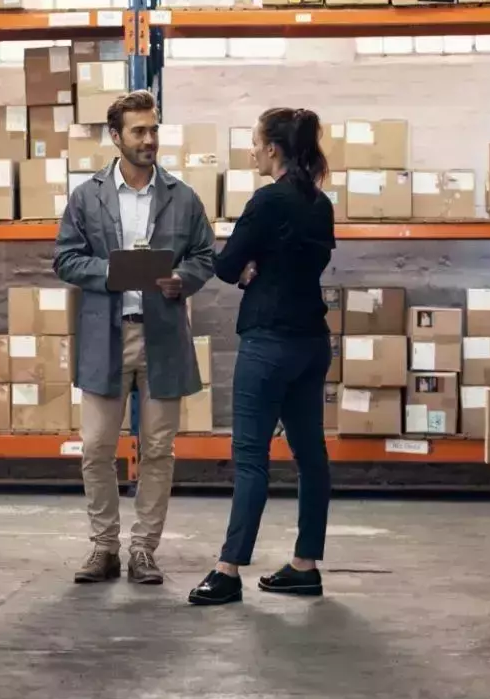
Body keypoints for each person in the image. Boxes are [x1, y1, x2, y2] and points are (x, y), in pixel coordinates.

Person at [53, 90, 216, 586]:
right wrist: (112, 272)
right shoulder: (87, 196)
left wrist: (182, 280)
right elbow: (65, 258)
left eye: (154, 130)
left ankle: (144, 549)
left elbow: (205, 255)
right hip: (107, 336)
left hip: (161, 336)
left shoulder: (182, 197)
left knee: (159, 450)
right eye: (139, 131)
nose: (149, 140)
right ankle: (104, 547)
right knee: (96, 448)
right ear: (115, 137)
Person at [188, 106, 337, 607]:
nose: (251, 150)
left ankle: (228, 570)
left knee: (251, 456)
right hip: (312, 342)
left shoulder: (267, 200)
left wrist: (250, 268)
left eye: (255, 143)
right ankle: (305, 565)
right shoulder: (320, 204)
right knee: (310, 454)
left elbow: (225, 264)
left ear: (273, 148)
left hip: (268, 341)